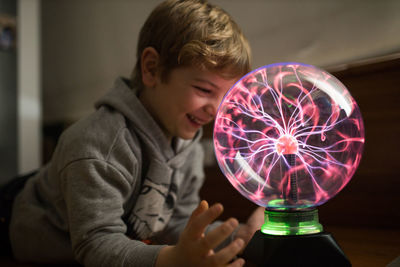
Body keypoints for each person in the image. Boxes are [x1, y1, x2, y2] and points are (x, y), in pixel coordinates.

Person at [6, 0, 264, 266]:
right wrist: (172, 260)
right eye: (205, 90)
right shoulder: (97, 147)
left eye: (227, 96)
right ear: (151, 68)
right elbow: (96, 244)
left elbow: (178, 224)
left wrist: (241, 236)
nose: (216, 110)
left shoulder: (188, 147)